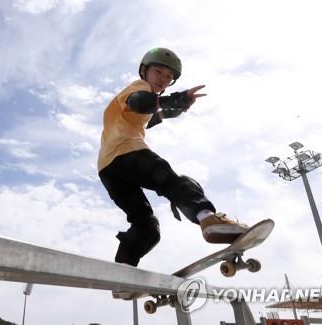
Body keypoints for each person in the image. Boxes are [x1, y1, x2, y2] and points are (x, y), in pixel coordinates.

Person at [97, 47, 249, 267]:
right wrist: (175, 98)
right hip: (127, 153)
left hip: (108, 170)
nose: (163, 79)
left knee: (146, 226)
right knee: (173, 181)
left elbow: (155, 114)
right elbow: (139, 102)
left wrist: (178, 106)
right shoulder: (138, 88)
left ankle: (123, 270)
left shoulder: (139, 107)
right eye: (158, 72)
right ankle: (208, 218)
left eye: (169, 78)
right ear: (144, 71)